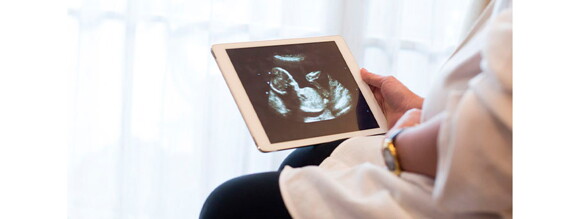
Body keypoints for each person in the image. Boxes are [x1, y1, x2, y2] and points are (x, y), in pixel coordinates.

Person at [200, 0, 512, 218]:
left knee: (231, 203)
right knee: (318, 151)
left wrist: (400, 142)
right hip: (451, 151)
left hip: (464, 187)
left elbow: (485, 148)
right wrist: (423, 110)